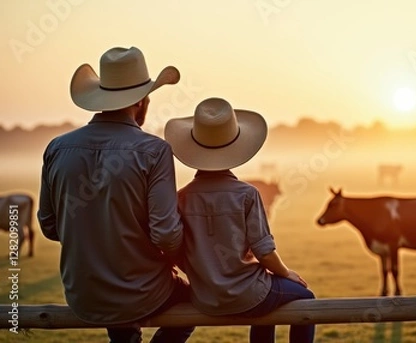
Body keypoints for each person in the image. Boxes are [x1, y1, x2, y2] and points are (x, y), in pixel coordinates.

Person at [37, 46, 195, 343]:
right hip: (141, 291)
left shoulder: (57, 148)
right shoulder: (154, 151)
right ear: (142, 102)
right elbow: (165, 234)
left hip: (82, 294)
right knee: (189, 300)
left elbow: (49, 226)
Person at [165, 97, 316, 343]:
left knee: (268, 303)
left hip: (204, 298)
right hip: (248, 294)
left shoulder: (181, 198)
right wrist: (286, 272)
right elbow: (264, 251)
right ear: (236, 147)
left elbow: (176, 249)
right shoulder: (247, 194)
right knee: (306, 298)